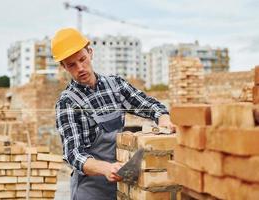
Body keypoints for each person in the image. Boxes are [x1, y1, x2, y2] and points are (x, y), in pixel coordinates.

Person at [52, 28, 175, 200]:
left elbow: (151, 106)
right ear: (63, 67)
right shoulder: (68, 103)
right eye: (72, 64)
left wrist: (164, 120)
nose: (80, 68)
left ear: (90, 52)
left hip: (121, 186)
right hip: (90, 190)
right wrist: (105, 168)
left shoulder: (115, 85)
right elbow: (73, 154)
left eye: (82, 59)